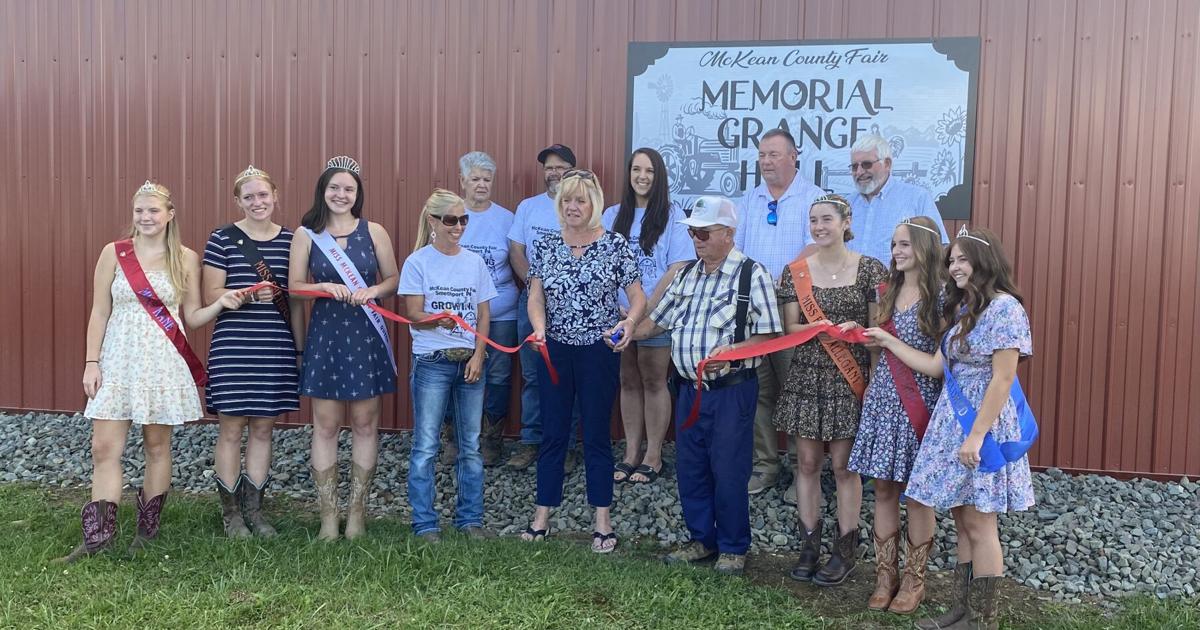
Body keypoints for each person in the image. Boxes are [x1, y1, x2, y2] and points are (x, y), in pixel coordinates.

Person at [60, 180, 244, 562]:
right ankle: (98, 538)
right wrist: (91, 362)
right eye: (139, 211)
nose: (145, 217)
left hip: (162, 363)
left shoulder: (186, 258)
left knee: (157, 447)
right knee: (103, 447)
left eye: (153, 210)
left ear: (169, 215)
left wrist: (221, 303)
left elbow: (192, 316)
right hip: (118, 360)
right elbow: (99, 311)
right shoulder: (114, 253)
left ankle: (147, 532)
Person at [864, 226, 1034, 630]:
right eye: (952, 260)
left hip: (981, 423)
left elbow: (1002, 378)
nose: (955, 266)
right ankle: (961, 610)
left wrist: (976, 435)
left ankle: (983, 620)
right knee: (961, 518)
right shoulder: (964, 309)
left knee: (980, 521)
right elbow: (935, 366)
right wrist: (887, 342)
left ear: (984, 261)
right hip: (953, 422)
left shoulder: (1005, 308)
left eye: (963, 259)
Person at [635, 196, 781, 576]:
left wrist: (733, 352)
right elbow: (656, 322)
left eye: (704, 232)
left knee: (729, 469)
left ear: (728, 233)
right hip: (687, 389)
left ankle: (733, 546)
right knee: (691, 467)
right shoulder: (686, 275)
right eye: (692, 233)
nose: (696, 240)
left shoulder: (752, 274)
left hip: (731, 391)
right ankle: (702, 539)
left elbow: (769, 337)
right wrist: (626, 332)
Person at [520, 169, 645, 553]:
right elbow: (535, 296)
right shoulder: (546, 245)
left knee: (595, 434)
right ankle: (541, 517)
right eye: (567, 200)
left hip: (598, 351)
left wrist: (629, 322)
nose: (573, 207)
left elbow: (637, 297)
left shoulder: (615, 245)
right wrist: (539, 328)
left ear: (594, 205)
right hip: (554, 349)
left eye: (580, 200)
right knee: (553, 433)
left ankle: (602, 522)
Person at [774, 194, 888, 587]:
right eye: (813, 220)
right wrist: (821, 329)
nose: (819, 227)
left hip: (849, 377)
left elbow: (877, 333)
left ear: (846, 222)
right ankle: (809, 545)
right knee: (806, 463)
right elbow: (790, 328)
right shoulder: (796, 271)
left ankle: (845, 549)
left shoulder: (870, 269)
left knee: (844, 467)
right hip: (807, 376)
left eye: (826, 219)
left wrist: (872, 381)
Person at [288, 156, 400, 541]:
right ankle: (327, 518)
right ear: (323, 191)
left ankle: (356, 516)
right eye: (334, 187)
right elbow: (294, 287)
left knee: (366, 424)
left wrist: (373, 290)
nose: (341, 194)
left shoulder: (375, 231)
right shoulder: (307, 234)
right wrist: (322, 287)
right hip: (327, 334)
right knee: (326, 425)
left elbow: (393, 278)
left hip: (365, 333)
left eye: (348, 189)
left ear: (357, 194)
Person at [847, 217, 945, 613]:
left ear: (924, 247)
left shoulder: (942, 296)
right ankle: (884, 576)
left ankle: (914, 579)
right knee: (884, 489)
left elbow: (939, 365)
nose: (896, 251)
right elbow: (879, 349)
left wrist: (887, 340)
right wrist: (861, 334)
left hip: (920, 402)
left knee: (917, 495)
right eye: (894, 245)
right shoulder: (886, 290)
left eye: (904, 244)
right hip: (884, 401)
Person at [203, 165, 304, 538]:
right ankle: (231, 514)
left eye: (263, 194)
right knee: (230, 429)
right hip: (234, 346)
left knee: (263, 428)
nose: (257, 202)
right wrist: (244, 295)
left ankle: (256, 512)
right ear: (238, 201)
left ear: (275, 195)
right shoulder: (222, 238)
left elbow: (296, 301)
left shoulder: (293, 240)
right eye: (249, 197)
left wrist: (299, 349)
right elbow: (211, 292)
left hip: (275, 346)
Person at [399, 189, 497, 542]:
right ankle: (425, 523)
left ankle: (470, 519)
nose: (458, 227)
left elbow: (484, 315)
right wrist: (435, 320)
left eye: (463, 220)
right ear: (433, 221)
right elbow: (413, 313)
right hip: (433, 361)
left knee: (470, 445)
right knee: (426, 445)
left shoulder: (474, 262)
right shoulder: (418, 262)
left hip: (469, 361)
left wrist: (479, 355)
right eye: (451, 220)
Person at [735, 128, 825, 496]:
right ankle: (766, 466)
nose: (766, 162)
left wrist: (781, 281)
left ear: (793, 156)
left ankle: (804, 471)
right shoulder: (749, 199)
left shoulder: (814, 198)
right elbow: (737, 250)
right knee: (759, 390)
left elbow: (815, 247)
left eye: (773, 154)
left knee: (798, 390)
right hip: (755, 310)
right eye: (761, 155)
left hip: (794, 309)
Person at [601, 148, 693, 485]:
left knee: (654, 380)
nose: (642, 177)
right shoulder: (612, 215)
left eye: (650, 171)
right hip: (619, 313)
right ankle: (631, 452)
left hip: (657, 312)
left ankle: (653, 454)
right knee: (627, 380)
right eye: (636, 169)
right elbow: (603, 263)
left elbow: (678, 266)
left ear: (659, 176)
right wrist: (621, 310)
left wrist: (647, 308)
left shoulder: (673, 215)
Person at [506, 144, 581, 471]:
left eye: (561, 167)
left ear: (572, 171)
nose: (554, 173)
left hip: (571, 304)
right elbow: (516, 250)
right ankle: (531, 442)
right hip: (532, 301)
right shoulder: (528, 207)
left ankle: (566, 445)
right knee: (534, 375)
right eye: (549, 167)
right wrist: (535, 286)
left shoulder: (580, 207)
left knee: (568, 375)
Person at [439, 151, 517, 467]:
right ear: (462, 181)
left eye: (487, 179)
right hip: (458, 315)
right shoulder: (450, 215)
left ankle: (490, 440)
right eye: (475, 179)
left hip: (501, 313)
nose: (481, 184)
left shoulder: (506, 219)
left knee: (498, 375)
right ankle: (453, 439)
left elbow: (517, 260)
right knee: (453, 372)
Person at [845, 134, 949, 266]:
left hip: (899, 279)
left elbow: (939, 248)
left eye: (866, 165)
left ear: (887, 164)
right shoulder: (847, 204)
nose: (859, 172)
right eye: (854, 166)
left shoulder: (917, 198)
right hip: (850, 279)